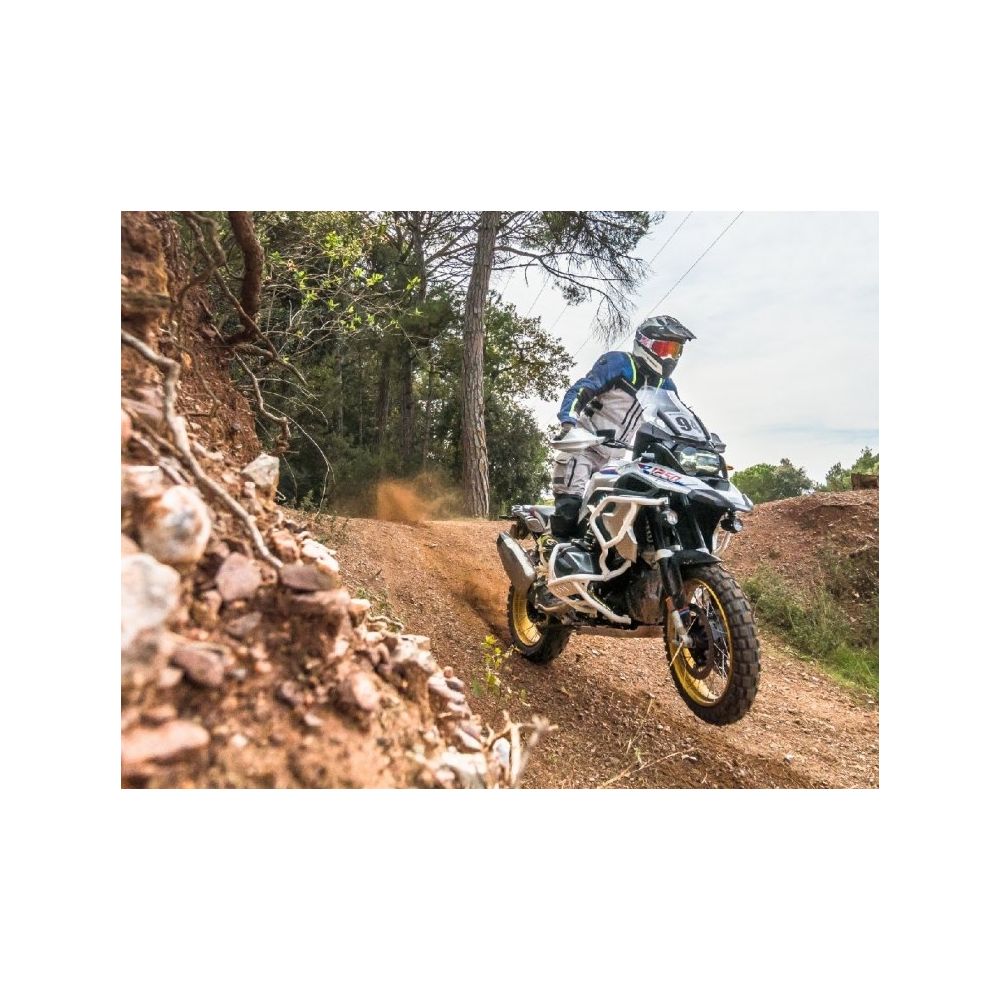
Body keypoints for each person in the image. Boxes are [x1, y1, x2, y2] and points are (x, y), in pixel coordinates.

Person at [550, 314, 696, 540]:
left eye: (675, 351)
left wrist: (694, 442)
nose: (669, 357)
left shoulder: (666, 386)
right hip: (584, 446)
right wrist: (568, 423)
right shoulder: (620, 363)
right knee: (570, 509)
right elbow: (582, 389)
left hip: (618, 460)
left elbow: (676, 417)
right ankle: (553, 545)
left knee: (622, 513)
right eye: (664, 348)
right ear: (645, 344)